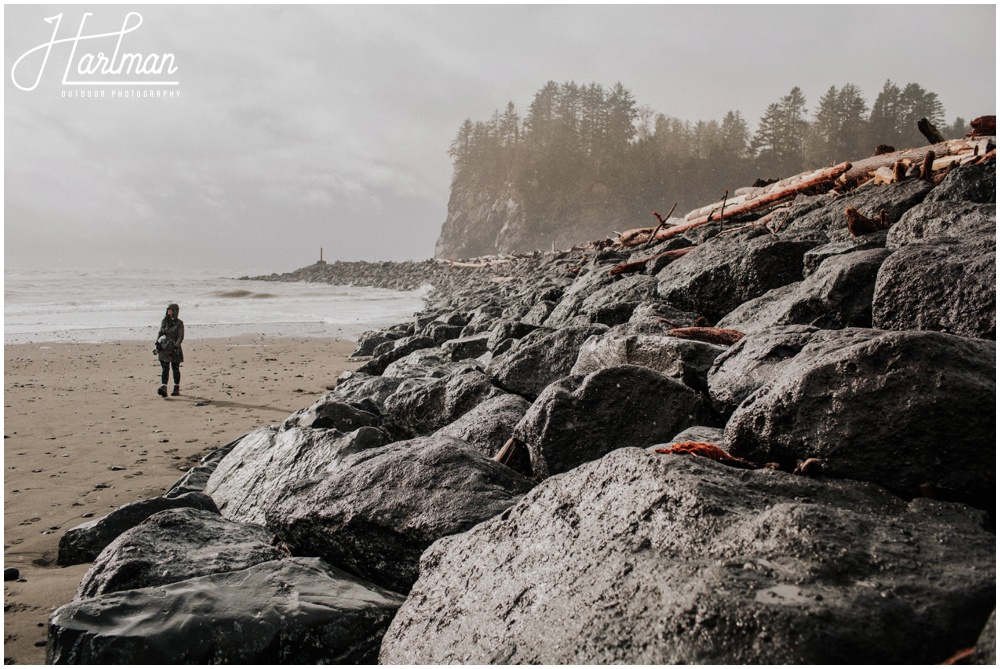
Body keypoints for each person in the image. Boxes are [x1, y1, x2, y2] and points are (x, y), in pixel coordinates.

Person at [155, 303, 185, 397]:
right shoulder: (164, 321)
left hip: (174, 348)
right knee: (165, 368)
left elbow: (180, 336)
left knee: (175, 368)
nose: (169, 312)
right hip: (164, 347)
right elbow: (160, 332)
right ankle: (164, 386)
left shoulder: (179, 323)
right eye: (168, 310)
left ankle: (176, 387)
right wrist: (157, 342)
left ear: (175, 311)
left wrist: (176, 346)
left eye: (171, 310)